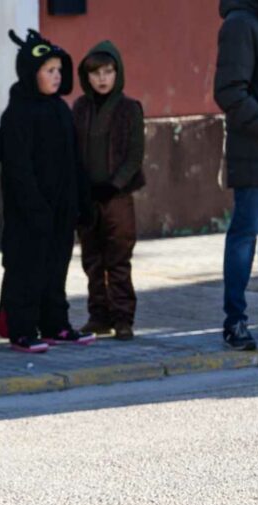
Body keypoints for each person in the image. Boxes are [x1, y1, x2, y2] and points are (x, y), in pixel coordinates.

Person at [0, 29, 92, 353]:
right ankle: (22, 329)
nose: (56, 77)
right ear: (31, 73)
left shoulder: (60, 109)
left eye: (59, 71)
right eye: (49, 71)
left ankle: (56, 323)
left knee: (56, 268)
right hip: (28, 213)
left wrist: (80, 201)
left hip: (60, 209)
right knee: (25, 270)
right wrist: (34, 207)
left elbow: (74, 159)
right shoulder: (18, 112)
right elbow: (18, 169)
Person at [73, 42, 145, 342]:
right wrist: (82, 187)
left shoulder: (129, 108)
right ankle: (98, 316)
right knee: (92, 258)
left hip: (117, 196)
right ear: (86, 76)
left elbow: (135, 154)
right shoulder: (80, 108)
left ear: (117, 73)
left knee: (118, 258)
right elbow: (73, 151)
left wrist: (113, 185)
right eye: (95, 73)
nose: (102, 78)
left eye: (108, 71)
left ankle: (123, 318)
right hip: (88, 197)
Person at [215, 0, 258, 351]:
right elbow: (229, 92)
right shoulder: (240, 23)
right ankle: (234, 321)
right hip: (253, 154)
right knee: (244, 238)